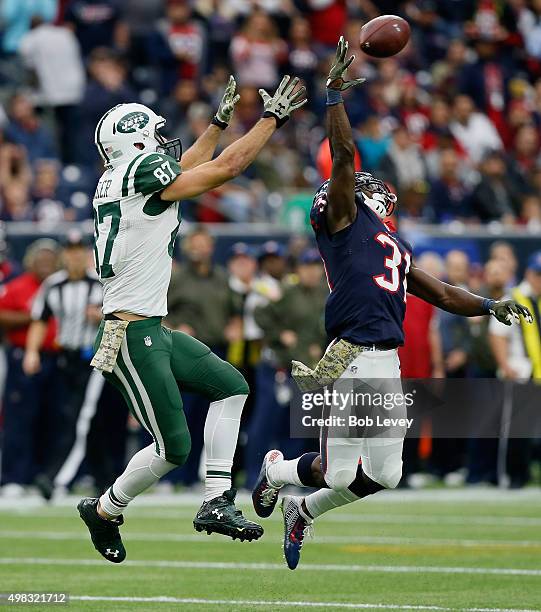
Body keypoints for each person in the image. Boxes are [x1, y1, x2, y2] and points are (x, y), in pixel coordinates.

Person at [250, 37, 533, 571]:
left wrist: (488, 304)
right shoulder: (344, 221)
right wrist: (333, 97)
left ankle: (302, 512)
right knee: (338, 472)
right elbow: (344, 157)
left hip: (387, 359)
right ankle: (278, 471)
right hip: (350, 356)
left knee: (384, 475)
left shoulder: (393, 246)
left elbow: (443, 293)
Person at [78, 73, 307, 563]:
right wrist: (271, 119)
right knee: (173, 448)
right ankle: (103, 510)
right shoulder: (138, 173)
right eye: (155, 134)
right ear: (136, 141)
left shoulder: (128, 177)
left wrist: (220, 121)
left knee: (231, 384)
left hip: (152, 328)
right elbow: (227, 168)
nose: (164, 141)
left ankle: (217, 500)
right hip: (127, 334)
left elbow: (186, 166)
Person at [23, 231, 103, 500]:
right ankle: (103, 478)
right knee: (74, 418)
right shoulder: (53, 285)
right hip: (64, 359)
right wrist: (32, 352)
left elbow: (120, 319)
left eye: (80, 250)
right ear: (64, 255)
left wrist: (100, 317)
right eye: (70, 250)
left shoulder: (100, 284)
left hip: (95, 361)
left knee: (80, 419)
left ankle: (55, 477)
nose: (75, 255)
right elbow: (40, 319)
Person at [0, 239, 60, 497]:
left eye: (50, 259)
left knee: (51, 418)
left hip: (57, 359)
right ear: (30, 261)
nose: (46, 264)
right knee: (19, 417)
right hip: (24, 356)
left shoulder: (62, 287)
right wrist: (37, 315)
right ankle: (13, 476)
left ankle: (42, 475)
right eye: (41, 259)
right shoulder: (17, 287)